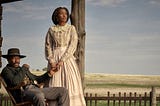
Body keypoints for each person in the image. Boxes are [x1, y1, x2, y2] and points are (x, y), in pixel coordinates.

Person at [45, 7, 86, 106]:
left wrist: (62, 60)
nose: (64, 16)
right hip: (54, 58)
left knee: (70, 82)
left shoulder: (71, 28)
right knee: (55, 82)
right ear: (56, 16)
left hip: (67, 59)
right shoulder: (51, 30)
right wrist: (51, 60)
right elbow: (48, 45)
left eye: (65, 14)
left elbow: (73, 44)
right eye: (61, 14)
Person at [1, 48, 70, 106]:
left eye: (18, 58)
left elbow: (37, 79)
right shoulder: (6, 70)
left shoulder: (21, 69)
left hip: (36, 89)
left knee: (63, 91)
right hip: (23, 92)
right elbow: (15, 82)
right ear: (8, 59)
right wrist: (23, 68)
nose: (16, 61)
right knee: (39, 95)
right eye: (13, 58)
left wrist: (50, 73)